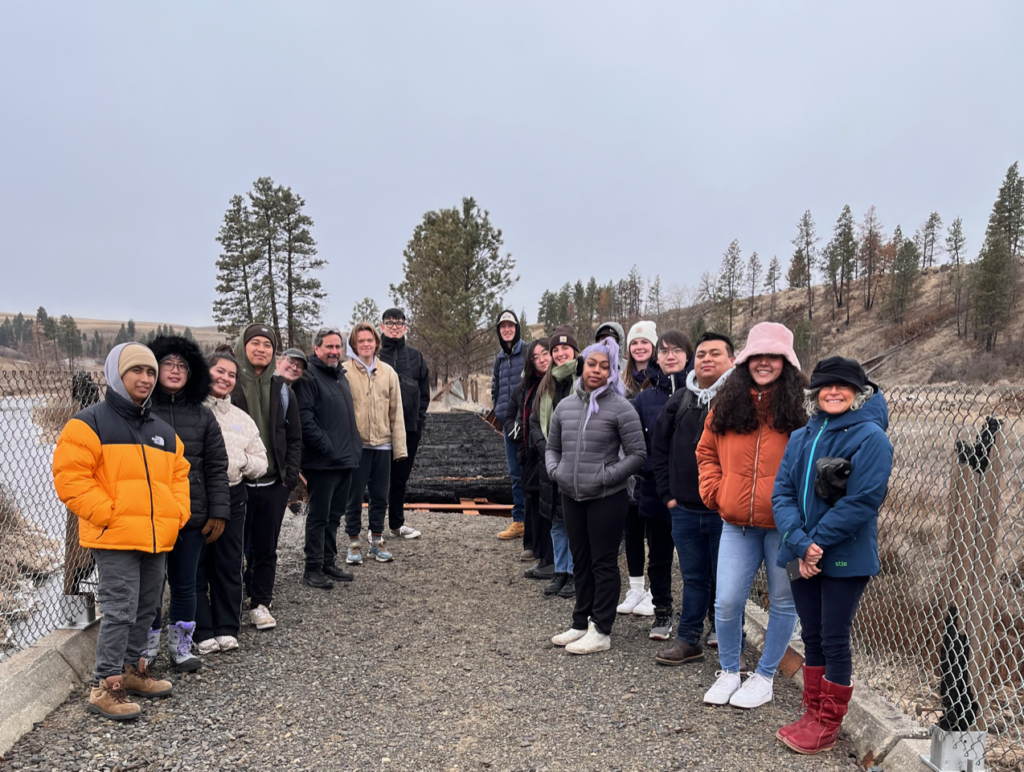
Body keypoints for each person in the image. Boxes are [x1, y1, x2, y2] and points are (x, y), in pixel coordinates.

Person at [53, 343, 187, 720]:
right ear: (117, 374)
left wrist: (175, 514)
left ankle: (131, 669)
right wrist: (106, 513)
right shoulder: (88, 423)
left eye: (149, 372)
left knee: (146, 607)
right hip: (113, 538)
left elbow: (179, 476)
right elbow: (70, 477)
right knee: (119, 610)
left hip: (155, 536)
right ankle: (104, 684)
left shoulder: (161, 430)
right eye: (136, 372)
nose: (145, 379)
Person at [772, 357, 892, 755]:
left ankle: (827, 724)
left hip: (844, 558)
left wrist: (814, 544)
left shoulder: (870, 437)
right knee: (811, 635)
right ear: (815, 393)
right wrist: (799, 544)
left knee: (834, 638)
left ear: (859, 393)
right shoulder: (801, 436)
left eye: (844, 387)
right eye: (826, 386)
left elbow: (862, 502)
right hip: (801, 552)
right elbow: (782, 495)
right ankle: (811, 711)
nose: (834, 392)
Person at [697, 322, 807, 708]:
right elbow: (706, 453)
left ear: (786, 362)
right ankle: (729, 670)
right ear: (745, 360)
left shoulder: (800, 413)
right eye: (757, 355)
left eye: (773, 356)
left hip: (786, 529)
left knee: (783, 601)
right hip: (736, 525)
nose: (764, 362)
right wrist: (716, 493)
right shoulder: (726, 406)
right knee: (726, 601)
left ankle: (764, 676)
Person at [548, 337, 647, 654]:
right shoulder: (565, 407)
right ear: (582, 366)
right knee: (581, 561)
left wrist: (607, 476)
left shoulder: (622, 408)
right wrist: (556, 471)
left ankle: (601, 629)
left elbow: (637, 454)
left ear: (612, 372)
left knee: (603, 562)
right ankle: (580, 622)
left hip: (607, 496)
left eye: (605, 366)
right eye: (592, 364)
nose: (597, 370)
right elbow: (552, 448)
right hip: (571, 494)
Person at [147, 335, 230, 672]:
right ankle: (146, 649)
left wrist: (219, 512)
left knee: (185, 584)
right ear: (155, 367)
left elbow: (215, 466)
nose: (175, 370)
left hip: (191, 517)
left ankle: (181, 647)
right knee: (150, 588)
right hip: (149, 516)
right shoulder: (139, 412)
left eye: (182, 365)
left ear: (193, 371)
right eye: (168, 363)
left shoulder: (203, 416)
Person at [652, 332, 736, 665]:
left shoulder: (739, 401)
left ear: (732, 360)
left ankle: (731, 643)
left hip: (725, 513)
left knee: (728, 583)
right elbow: (658, 450)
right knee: (694, 578)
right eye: (701, 354)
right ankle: (689, 640)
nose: (706, 360)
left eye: (715, 354)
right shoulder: (680, 401)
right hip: (684, 511)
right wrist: (668, 496)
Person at [196, 347, 268, 654]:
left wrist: (239, 461)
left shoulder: (242, 419)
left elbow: (261, 461)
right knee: (196, 564)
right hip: (197, 496)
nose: (225, 378)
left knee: (228, 561)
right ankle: (201, 629)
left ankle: (227, 626)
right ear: (206, 371)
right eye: (219, 371)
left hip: (233, 492)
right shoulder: (192, 410)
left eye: (231, 374)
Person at [232, 323, 302, 632]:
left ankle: (261, 602)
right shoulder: (229, 386)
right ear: (243, 347)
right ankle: (231, 602)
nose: (261, 349)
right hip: (237, 484)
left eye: (268, 345)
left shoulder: (282, 389)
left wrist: (288, 480)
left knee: (265, 547)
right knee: (233, 547)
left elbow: (295, 437)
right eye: (255, 343)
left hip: (274, 484)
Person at [630, 330, 692, 641]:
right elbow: (637, 447)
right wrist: (653, 474)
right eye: (664, 350)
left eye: (676, 350)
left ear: (687, 354)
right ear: (657, 357)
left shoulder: (702, 394)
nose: (670, 355)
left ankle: (704, 617)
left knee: (699, 560)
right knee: (659, 556)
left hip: (696, 494)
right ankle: (663, 612)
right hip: (655, 491)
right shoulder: (643, 399)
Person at [293, 327, 363, 587]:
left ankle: (327, 562)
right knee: (319, 516)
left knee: (335, 515)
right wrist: (327, 446)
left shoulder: (340, 377)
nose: (334, 352)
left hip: (345, 460)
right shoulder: (308, 378)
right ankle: (312, 568)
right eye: (329, 347)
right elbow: (305, 420)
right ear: (316, 349)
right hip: (322, 462)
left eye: (337, 347)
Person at [342, 322, 407, 564]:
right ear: (354, 345)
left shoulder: (388, 372)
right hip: (357, 448)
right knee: (354, 497)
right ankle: (353, 543)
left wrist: (399, 448)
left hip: (382, 445)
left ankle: (377, 541)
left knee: (380, 496)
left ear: (376, 343)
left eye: (370, 340)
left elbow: (396, 412)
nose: (366, 345)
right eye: (361, 341)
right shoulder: (344, 372)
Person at [529, 325, 579, 598]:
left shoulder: (582, 379)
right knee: (557, 523)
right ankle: (561, 571)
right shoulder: (546, 383)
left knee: (573, 523)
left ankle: (575, 573)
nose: (560, 353)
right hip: (550, 463)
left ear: (574, 350)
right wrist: (546, 450)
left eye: (565, 348)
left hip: (575, 463)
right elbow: (535, 421)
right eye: (555, 349)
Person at [617, 320, 659, 618]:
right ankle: (635, 587)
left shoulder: (661, 380)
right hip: (627, 466)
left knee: (655, 534)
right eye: (634, 343)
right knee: (631, 528)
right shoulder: (620, 381)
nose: (639, 347)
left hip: (655, 467)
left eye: (645, 342)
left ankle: (656, 592)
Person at [378, 308, 429, 540]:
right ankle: (374, 528)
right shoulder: (375, 356)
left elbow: (424, 393)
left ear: (405, 327)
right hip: (378, 429)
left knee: (400, 478)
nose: (395, 326)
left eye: (399, 323)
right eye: (390, 323)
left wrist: (418, 422)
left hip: (409, 429)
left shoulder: (415, 356)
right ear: (382, 327)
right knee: (377, 479)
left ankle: (397, 524)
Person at [506, 339, 552, 573]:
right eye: (536, 356)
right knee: (532, 498)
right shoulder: (522, 389)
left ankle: (547, 551)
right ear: (530, 362)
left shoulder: (557, 384)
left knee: (548, 502)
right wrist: (521, 438)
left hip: (550, 451)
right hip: (529, 452)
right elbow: (510, 418)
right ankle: (531, 544)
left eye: (546, 353)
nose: (542, 359)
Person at [491, 310, 526, 540]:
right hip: (508, 425)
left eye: (510, 326)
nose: (507, 329)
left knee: (532, 472)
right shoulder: (499, 359)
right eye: (503, 326)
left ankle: (537, 521)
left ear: (517, 328)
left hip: (527, 424)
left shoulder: (528, 352)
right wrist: (499, 411)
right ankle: (519, 520)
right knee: (515, 474)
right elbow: (495, 388)